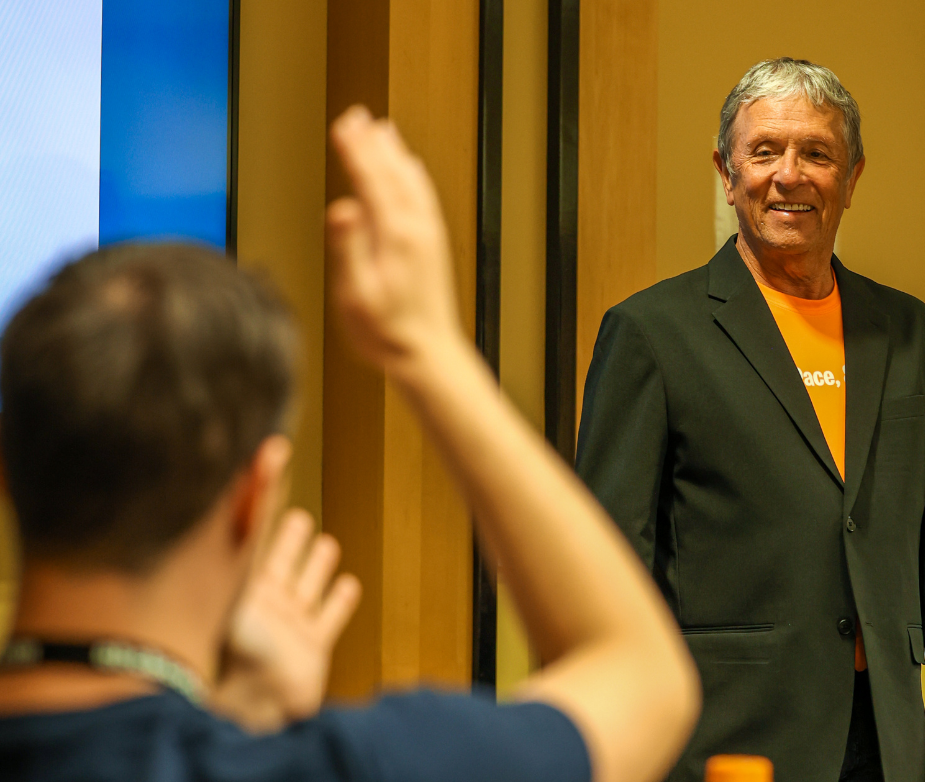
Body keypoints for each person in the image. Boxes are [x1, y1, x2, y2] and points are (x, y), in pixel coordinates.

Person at [0, 107, 700, 782]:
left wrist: (236, 718)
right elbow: (643, 677)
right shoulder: (356, 765)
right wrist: (427, 349)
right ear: (254, 497)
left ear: (10, 471)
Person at [576, 58, 925, 782]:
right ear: (726, 170)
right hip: (724, 732)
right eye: (764, 151)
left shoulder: (913, 334)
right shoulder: (652, 333)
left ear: (852, 176)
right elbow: (607, 554)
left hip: (886, 729)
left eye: (816, 153)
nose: (789, 175)